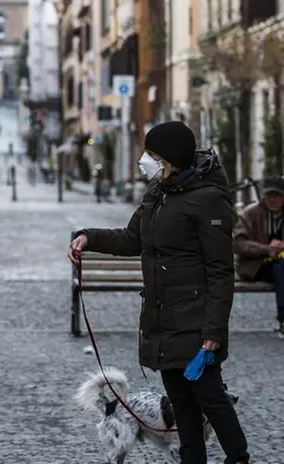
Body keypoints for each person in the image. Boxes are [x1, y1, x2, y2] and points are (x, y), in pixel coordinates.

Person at [67, 121, 249, 464]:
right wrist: (88, 237)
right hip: (162, 316)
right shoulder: (158, 193)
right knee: (180, 402)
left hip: (195, 319)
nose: (144, 160)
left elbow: (221, 272)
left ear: (170, 157)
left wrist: (213, 331)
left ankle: (238, 457)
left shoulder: (208, 200)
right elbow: (132, 238)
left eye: (151, 154)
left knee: (211, 397)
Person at [234, 175, 284, 336]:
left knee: (281, 267)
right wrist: (266, 249)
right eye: (269, 195)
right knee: (281, 269)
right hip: (255, 266)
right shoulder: (250, 213)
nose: (273, 199)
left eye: (277, 195)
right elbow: (238, 243)